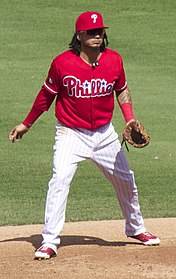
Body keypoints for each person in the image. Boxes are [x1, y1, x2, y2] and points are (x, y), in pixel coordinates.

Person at [9, 11, 160, 260]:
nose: (97, 35)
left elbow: (121, 90)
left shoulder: (114, 60)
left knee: (126, 180)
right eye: (91, 32)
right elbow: (46, 95)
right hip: (70, 133)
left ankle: (136, 228)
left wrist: (130, 117)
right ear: (79, 35)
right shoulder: (62, 63)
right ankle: (49, 241)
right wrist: (27, 123)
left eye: (100, 31)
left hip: (104, 134)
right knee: (59, 182)